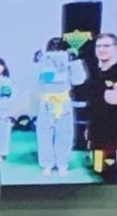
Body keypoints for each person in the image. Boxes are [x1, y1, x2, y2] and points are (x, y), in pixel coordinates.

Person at [33, 37, 87, 177]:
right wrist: (36, 62)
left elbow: (79, 80)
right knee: (44, 134)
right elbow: (34, 80)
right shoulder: (43, 61)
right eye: (53, 47)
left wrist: (74, 61)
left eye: (59, 48)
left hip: (63, 101)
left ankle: (62, 164)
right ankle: (47, 164)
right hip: (46, 102)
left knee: (64, 134)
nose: (56, 50)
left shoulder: (69, 61)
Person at [85, 32, 117, 184]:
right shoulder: (95, 76)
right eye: (98, 46)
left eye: (106, 46)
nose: (102, 49)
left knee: (113, 180)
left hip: (115, 139)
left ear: (116, 48)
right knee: (98, 172)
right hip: (96, 137)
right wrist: (89, 130)